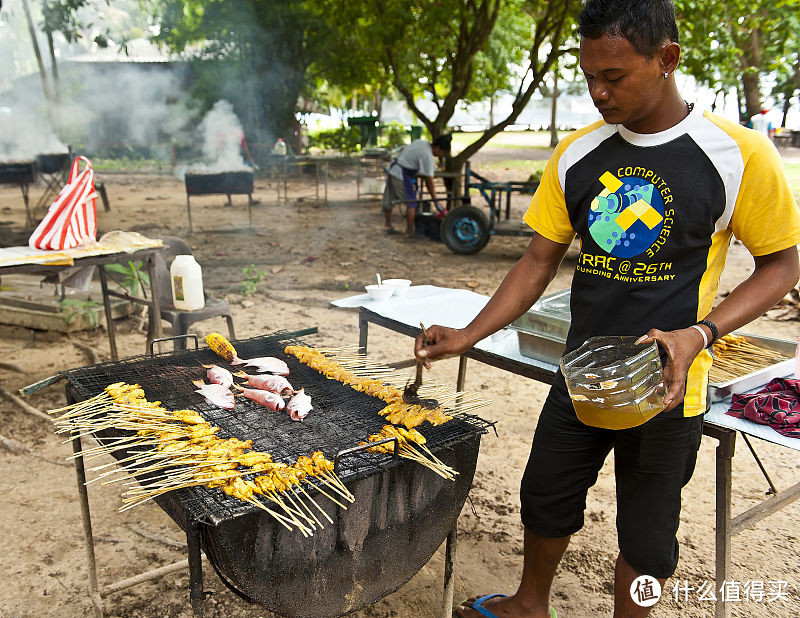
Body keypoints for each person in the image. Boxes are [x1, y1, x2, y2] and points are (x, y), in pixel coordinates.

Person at [415, 2, 800, 617]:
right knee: (545, 495)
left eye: (614, 77)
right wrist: (469, 333)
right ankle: (529, 604)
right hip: (583, 373)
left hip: (667, 385)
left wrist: (700, 333)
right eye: (589, 76)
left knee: (649, 541)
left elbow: (782, 264)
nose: (597, 92)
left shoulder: (737, 154)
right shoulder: (578, 155)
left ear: (666, 58)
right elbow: (538, 261)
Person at [382, 134, 451, 237]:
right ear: (438, 147)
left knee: (389, 198)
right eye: (441, 152)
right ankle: (410, 231)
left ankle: (388, 226)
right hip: (401, 174)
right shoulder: (428, 156)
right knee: (411, 203)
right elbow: (429, 182)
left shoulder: (421, 142)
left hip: (393, 170)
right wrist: (436, 201)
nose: (440, 155)